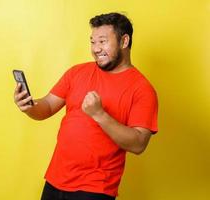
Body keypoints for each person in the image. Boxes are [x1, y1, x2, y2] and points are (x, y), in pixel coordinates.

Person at [14, 12, 158, 200]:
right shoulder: (77, 72)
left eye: (102, 41)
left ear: (124, 41)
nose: (96, 49)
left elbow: (139, 144)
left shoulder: (142, 89)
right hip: (55, 180)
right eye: (93, 42)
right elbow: (47, 106)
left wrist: (99, 114)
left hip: (95, 188)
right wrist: (29, 106)